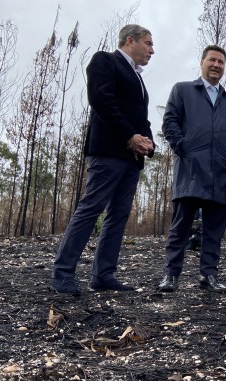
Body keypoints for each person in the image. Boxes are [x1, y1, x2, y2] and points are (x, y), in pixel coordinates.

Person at [50, 24, 155, 295]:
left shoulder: (139, 78)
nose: (152, 50)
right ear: (130, 41)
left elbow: (140, 117)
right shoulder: (105, 60)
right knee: (90, 208)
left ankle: (103, 275)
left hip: (132, 159)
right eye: (148, 43)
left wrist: (147, 141)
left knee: (118, 216)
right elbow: (101, 99)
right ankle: (63, 272)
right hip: (109, 151)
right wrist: (129, 136)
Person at [157, 45, 226, 293]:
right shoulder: (183, 90)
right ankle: (171, 274)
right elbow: (170, 121)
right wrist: (183, 147)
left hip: (221, 173)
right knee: (181, 226)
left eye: (221, 62)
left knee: (214, 229)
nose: (217, 65)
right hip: (191, 170)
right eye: (212, 60)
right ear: (202, 62)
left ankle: (209, 275)